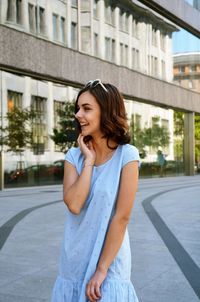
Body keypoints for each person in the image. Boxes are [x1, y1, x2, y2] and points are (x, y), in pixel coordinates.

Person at [51, 79, 140, 302]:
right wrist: (88, 161)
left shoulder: (127, 156)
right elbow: (74, 204)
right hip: (74, 259)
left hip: (111, 263)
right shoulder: (74, 157)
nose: (78, 114)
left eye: (87, 109)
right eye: (78, 108)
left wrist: (101, 270)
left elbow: (122, 217)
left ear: (107, 112)